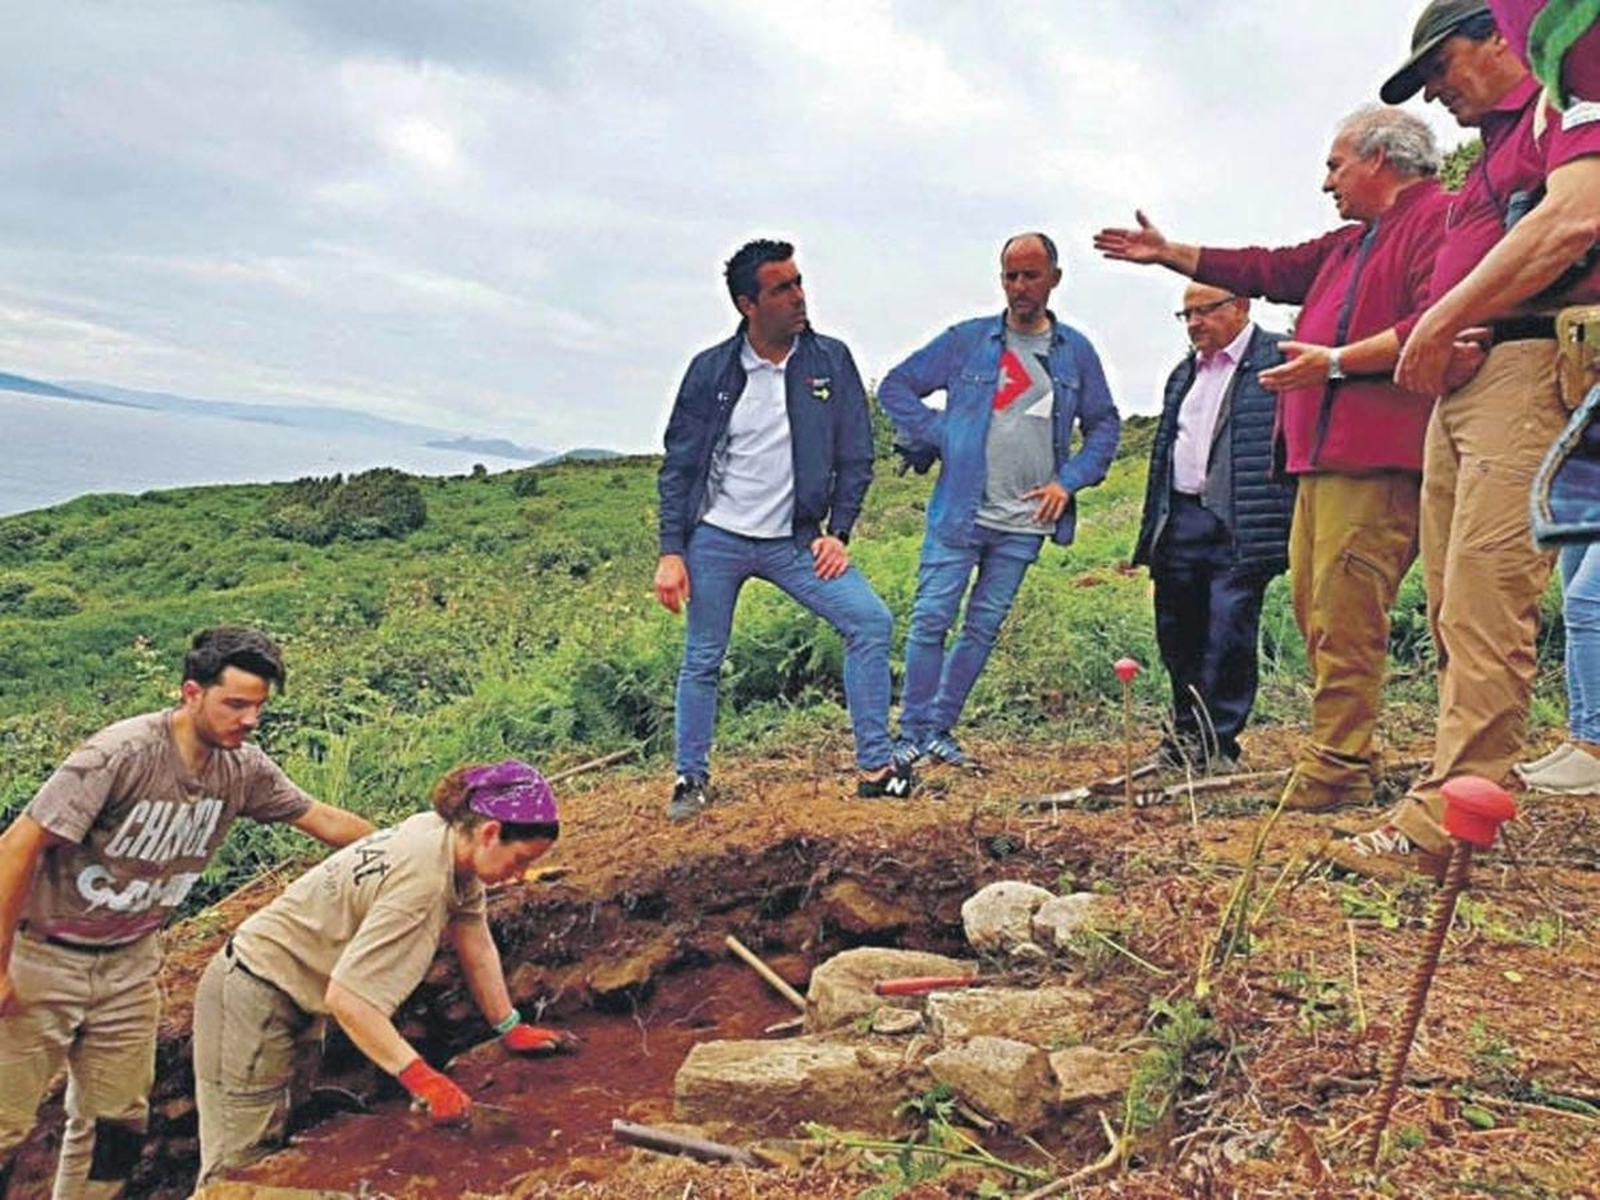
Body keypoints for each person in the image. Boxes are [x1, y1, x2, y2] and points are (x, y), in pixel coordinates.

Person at [1095, 106, 1454, 815]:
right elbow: (1266, 267)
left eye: (1335, 166)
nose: (1327, 183)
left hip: (1375, 457)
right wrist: (1170, 252)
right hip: (1317, 462)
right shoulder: (1349, 245)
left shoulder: (1438, 220)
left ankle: (1337, 766)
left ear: (1379, 159)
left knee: (1346, 611)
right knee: (1318, 610)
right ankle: (1343, 751)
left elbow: (1435, 321)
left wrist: (1338, 362)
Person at [1339, 0, 1600, 874]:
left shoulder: (1563, 106)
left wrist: (1444, 316)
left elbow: (1573, 222)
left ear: (1500, 35)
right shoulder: (1490, 154)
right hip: (1466, 383)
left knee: (1488, 596)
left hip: (1530, 371)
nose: (1434, 92)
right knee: (1453, 599)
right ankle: (1449, 788)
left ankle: (1447, 822)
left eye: (1441, 65)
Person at [0, 627, 374, 1199]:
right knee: (6, 1124)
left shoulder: (242, 768)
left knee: (117, 1122)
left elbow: (321, 819)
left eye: (259, 706)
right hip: (43, 954)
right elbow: (18, 845)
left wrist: (412, 850)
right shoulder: (121, 755)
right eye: (236, 704)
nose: (250, 719)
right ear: (192, 692)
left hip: (130, 962)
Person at [192, 759, 574, 1186]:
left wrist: (509, 1025)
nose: (520, 875)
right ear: (489, 833)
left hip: (294, 989)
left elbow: (474, 937)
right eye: (520, 860)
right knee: (240, 1167)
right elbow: (350, 1000)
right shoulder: (422, 882)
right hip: (254, 992)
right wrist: (422, 1079)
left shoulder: (443, 838)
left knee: (284, 1136)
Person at [654, 238, 909, 819]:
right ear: (748, 304)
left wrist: (838, 532)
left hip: (796, 540)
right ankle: (690, 779)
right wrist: (672, 551)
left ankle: (876, 770)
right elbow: (680, 465)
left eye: (798, 283)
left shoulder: (830, 362)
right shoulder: (711, 370)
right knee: (703, 657)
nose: (798, 297)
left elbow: (856, 455)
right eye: (781, 289)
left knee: (870, 621)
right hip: (716, 537)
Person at [877, 233, 1120, 768]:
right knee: (931, 620)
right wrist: (941, 432)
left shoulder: (1075, 352)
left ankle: (940, 730)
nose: (1019, 287)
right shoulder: (967, 340)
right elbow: (895, 386)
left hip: (1026, 520)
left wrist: (1068, 482)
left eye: (1031, 275)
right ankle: (912, 733)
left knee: (982, 627)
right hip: (960, 514)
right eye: (1011, 276)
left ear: (1055, 278)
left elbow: (1104, 425)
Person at [1130, 284, 1294, 774]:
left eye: (1205, 310)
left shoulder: (1278, 359)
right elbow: (1166, 449)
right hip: (1181, 518)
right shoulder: (1184, 373)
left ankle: (1217, 743)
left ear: (1241, 306)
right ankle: (1184, 737)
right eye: (1186, 314)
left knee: (1228, 631)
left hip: (1240, 521)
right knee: (1177, 632)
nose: (1194, 322)